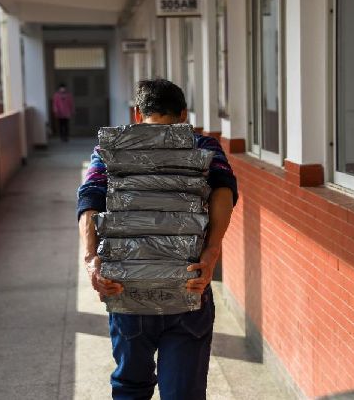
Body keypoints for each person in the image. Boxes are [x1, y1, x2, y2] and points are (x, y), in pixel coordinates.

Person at [77, 79, 238, 400]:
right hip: (189, 284)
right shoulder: (203, 146)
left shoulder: (110, 149)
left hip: (126, 288)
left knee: (130, 389)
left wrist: (91, 258)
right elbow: (223, 189)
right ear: (183, 114)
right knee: (183, 393)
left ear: (137, 114)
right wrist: (211, 251)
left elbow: (90, 197)